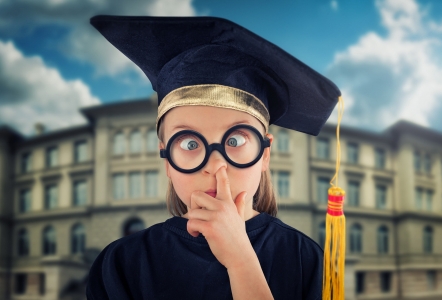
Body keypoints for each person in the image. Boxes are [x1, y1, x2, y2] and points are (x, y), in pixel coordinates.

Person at [86, 16, 341, 300]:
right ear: (168, 160)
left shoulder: (304, 259)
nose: (215, 165)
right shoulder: (123, 263)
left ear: (265, 154)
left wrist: (241, 262)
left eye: (235, 140)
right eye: (190, 142)